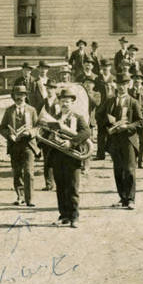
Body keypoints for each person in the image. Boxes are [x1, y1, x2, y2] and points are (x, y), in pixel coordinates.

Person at [50, 85, 91, 227]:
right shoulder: (53, 118)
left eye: (67, 101)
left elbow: (86, 132)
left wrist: (71, 142)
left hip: (72, 157)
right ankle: (63, 216)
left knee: (72, 187)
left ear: (72, 103)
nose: (65, 104)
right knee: (60, 187)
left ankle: (74, 216)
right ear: (59, 103)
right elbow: (46, 134)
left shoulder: (77, 117)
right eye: (62, 101)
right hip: (57, 157)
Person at [104, 79, 143, 209]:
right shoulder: (110, 101)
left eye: (124, 84)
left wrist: (127, 127)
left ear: (128, 85)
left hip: (128, 140)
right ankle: (123, 197)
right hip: (115, 140)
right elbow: (102, 117)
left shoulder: (133, 102)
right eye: (119, 84)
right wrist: (109, 126)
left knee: (130, 169)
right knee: (118, 170)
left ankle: (131, 199)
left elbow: (140, 122)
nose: (121, 87)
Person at [0, 85, 38, 207]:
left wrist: (30, 132)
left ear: (25, 96)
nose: (19, 97)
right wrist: (8, 135)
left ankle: (29, 198)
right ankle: (20, 196)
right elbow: (2, 127)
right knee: (17, 172)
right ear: (13, 96)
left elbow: (38, 127)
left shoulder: (32, 110)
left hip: (28, 144)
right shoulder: (9, 110)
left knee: (28, 172)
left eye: (22, 95)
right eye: (17, 95)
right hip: (14, 145)